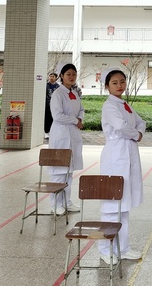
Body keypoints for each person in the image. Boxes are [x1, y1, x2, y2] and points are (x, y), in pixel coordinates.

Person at [98, 69, 145, 265]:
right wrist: (136, 134)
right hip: (115, 154)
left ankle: (123, 248)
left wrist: (138, 132)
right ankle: (105, 249)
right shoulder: (109, 106)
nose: (119, 85)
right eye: (115, 82)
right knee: (111, 205)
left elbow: (141, 122)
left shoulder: (125, 105)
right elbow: (120, 127)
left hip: (128, 152)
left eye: (122, 81)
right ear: (107, 86)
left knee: (123, 205)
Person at [48, 63, 84, 214]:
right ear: (61, 76)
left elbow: (81, 110)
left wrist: (80, 118)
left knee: (69, 172)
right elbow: (57, 116)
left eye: (74, 74)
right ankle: (55, 204)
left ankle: (67, 202)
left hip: (72, 134)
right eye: (68, 74)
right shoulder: (58, 94)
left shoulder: (74, 93)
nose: (71, 77)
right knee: (59, 172)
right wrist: (75, 121)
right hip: (61, 135)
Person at [44, 72, 59, 139]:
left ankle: (52, 132)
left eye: (53, 76)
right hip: (47, 105)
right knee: (47, 118)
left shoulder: (58, 86)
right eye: (50, 76)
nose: (51, 78)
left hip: (55, 105)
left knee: (54, 119)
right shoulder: (46, 85)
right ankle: (46, 132)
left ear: (56, 78)